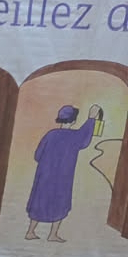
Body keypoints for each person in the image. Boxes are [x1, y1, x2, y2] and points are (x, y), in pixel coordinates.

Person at [25, 104, 100, 243]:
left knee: (39, 201)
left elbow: (37, 155)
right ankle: (52, 235)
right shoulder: (74, 137)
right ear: (74, 121)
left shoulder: (50, 135)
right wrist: (91, 118)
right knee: (60, 202)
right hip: (63, 177)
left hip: (45, 176)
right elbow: (84, 139)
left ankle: (30, 231)